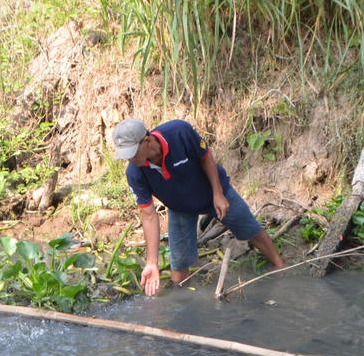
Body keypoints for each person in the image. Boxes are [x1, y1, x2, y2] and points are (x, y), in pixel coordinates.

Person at [112, 117, 286, 296]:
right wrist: (151, 263)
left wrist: (218, 194)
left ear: (147, 141)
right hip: (180, 207)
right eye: (125, 155)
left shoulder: (179, 133)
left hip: (212, 191)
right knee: (179, 267)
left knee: (251, 230)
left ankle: (282, 269)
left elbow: (206, 157)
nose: (130, 159)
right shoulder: (134, 173)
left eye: (132, 153)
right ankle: (183, 302)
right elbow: (149, 216)